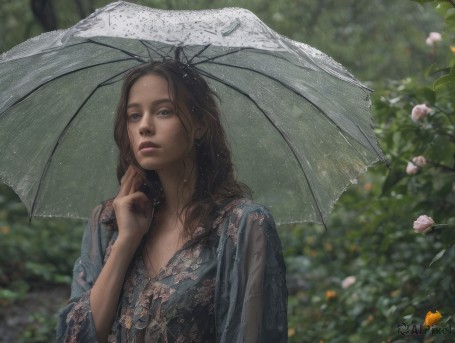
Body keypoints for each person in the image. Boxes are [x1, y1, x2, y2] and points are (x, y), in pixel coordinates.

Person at [56, 60, 287, 343]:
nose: (144, 126)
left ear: (200, 124)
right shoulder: (107, 223)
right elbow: (74, 338)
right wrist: (126, 241)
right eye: (133, 115)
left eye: (164, 111)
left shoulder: (241, 226)